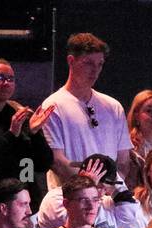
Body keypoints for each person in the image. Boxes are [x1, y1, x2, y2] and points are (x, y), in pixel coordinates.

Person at [39, 34, 131, 189]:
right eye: (88, 63)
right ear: (71, 61)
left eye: (100, 64)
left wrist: (109, 187)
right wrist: (90, 188)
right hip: (69, 199)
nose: (95, 70)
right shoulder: (53, 105)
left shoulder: (113, 106)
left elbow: (123, 160)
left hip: (108, 200)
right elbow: (58, 162)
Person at [0, 59, 55, 187]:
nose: (6, 83)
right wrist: (11, 134)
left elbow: (43, 164)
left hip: (26, 194)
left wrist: (34, 133)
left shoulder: (22, 116)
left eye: (10, 79)